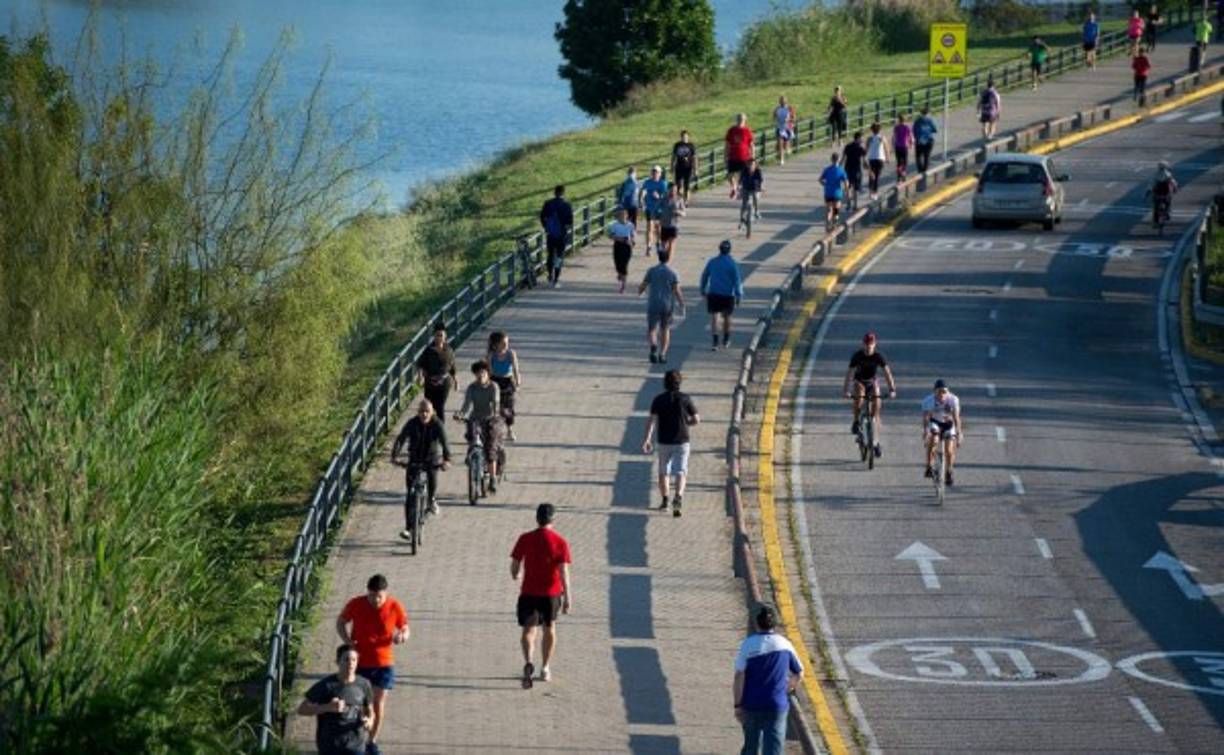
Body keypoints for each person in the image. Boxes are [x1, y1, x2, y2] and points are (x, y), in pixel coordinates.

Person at [335, 574, 408, 755]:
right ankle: (356, 739)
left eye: (380, 596)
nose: (376, 600)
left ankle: (372, 742)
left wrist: (402, 636)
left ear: (386, 593)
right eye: (372, 595)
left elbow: (405, 627)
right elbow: (341, 622)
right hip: (359, 663)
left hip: (384, 664)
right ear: (367, 592)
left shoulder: (394, 605)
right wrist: (348, 642)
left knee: (377, 704)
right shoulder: (356, 604)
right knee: (357, 704)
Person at [510, 503, 572, 689]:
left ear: (537, 519)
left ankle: (529, 660)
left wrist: (516, 574)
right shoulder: (560, 542)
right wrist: (568, 597)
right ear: (553, 520)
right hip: (551, 593)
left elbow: (515, 564)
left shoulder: (525, 538)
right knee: (549, 629)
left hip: (529, 592)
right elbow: (564, 573)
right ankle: (545, 667)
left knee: (528, 631)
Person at [733, 605, 804, 755]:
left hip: (751, 705)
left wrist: (738, 705)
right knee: (773, 750)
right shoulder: (784, 643)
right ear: (775, 624)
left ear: (756, 623)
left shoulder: (748, 645)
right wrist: (788, 687)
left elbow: (739, 676)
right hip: (776, 704)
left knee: (750, 747)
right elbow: (799, 672)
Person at [297, 644, 375, 755]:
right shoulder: (326, 685)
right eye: (346, 659)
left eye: (354, 660)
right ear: (337, 662)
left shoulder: (364, 684)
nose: (350, 663)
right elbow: (302, 709)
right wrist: (327, 707)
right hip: (331, 745)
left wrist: (369, 721)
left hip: (356, 744)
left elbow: (371, 711)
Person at [642, 369, 700, 516]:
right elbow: (697, 419)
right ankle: (678, 498)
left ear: (664, 383)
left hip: (664, 441)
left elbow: (652, 421)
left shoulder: (658, 399)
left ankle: (665, 501)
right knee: (681, 471)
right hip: (682, 440)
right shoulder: (686, 399)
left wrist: (647, 439)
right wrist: (687, 423)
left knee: (663, 472)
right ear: (679, 383)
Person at [391, 399, 451, 536]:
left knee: (432, 481)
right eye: (421, 412)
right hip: (415, 459)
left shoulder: (437, 424)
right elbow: (401, 438)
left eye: (427, 412)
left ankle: (431, 500)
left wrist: (447, 459)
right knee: (410, 495)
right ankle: (408, 528)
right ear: (417, 412)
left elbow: (445, 442)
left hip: (431, 459)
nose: (424, 414)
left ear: (432, 412)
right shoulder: (412, 423)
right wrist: (395, 456)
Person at [842, 331, 897, 458]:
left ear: (875, 344)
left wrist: (892, 389)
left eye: (871, 344)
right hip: (859, 381)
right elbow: (849, 374)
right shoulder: (857, 356)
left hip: (872, 382)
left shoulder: (879, 356)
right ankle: (856, 421)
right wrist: (846, 390)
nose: (869, 347)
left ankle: (876, 442)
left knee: (876, 408)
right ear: (863, 344)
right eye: (867, 344)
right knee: (859, 395)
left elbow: (887, 373)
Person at [453, 360, 504, 492]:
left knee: (490, 447)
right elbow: (467, 404)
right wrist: (461, 414)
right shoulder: (471, 388)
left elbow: (495, 402)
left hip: (491, 418)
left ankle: (492, 478)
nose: (480, 376)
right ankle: (472, 454)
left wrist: (494, 412)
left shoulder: (494, 387)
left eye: (483, 373)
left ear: (488, 374)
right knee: (472, 435)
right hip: (476, 418)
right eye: (477, 373)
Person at [638, 246, 685, 364]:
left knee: (652, 329)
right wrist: (682, 304)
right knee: (665, 329)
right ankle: (663, 354)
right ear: (668, 258)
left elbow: (643, 285)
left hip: (653, 304)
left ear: (658, 257)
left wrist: (640, 291)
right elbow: (677, 290)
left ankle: (653, 346)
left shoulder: (651, 270)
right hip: (667, 305)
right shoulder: (673, 272)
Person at [699, 239, 744, 351]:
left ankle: (715, 342)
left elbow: (704, 276)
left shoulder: (712, 262)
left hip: (714, 293)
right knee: (727, 316)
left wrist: (702, 289)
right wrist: (739, 295)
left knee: (715, 316)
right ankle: (726, 339)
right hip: (728, 295)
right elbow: (737, 281)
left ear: (719, 249)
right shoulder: (733, 264)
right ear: (729, 250)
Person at [922, 379, 962, 486]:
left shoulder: (953, 400)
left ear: (948, 392)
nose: (941, 394)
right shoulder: (928, 401)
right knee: (934, 440)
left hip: (949, 424)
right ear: (934, 392)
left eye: (944, 392)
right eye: (939, 392)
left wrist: (959, 433)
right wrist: (926, 431)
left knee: (949, 450)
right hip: (935, 422)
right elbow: (926, 418)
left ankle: (949, 471)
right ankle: (929, 466)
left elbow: (956, 417)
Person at [487, 331, 523, 442]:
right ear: (495, 345)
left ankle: (510, 429)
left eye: (507, 342)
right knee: (496, 408)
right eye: (503, 343)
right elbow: (489, 372)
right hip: (496, 381)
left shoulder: (511, 353)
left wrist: (518, 381)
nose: (506, 345)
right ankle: (494, 431)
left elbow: (516, 369)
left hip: (508, 382)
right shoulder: (491, 356)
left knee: (509, 407)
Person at [416, 323, 456, 422]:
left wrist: (456, 380)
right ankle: (430, 427)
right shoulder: (429, 350)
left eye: (441, 335)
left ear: (445, 337)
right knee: (429, 406)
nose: (439, 338)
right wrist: (420, 376)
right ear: (434, 336)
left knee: (440, 406)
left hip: (444, 383)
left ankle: (441, 429)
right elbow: (421, 364)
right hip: (430, 382)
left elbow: (452, 367)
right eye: (437, 335)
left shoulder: (449, 350)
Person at [538, 184, 573, 288]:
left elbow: (542, 217)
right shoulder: (567, 205)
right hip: (561, 234)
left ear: (555, 192)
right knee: (559, 256)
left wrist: (546, 228)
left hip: (551, 234)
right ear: (563, 192)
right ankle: (556, 278)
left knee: (550, 254)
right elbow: (570, 221)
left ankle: (549, 274)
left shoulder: (548, 203)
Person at [640, 165, 669, 256]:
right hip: (650, 208)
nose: (654, 174)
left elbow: (666, 197)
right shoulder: (647, 182)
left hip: (659, 210)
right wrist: (642, 198)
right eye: (653, 172)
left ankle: (659, 243)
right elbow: (644, 191)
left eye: (656, 172)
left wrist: (659, 196)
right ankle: (649, 247)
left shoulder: (663, 183)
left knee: (658, 229)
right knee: (649, 227)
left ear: (660, 174)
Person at [725, 113, 755, 198]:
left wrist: (752, 157)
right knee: (730, 175)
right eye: (738, 119)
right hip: (732, 156)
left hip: (744, 157)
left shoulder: (747, 131)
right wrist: (725, 155)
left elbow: (752, 145)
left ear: (745, 120)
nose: (740, 121)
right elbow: (727, 144)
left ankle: (740, 189)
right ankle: (734, 188)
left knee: (743, 175)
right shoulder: (731, 130)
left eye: (742, 119)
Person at [608, 207, 637, 293]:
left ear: (627, 216)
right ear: (617, 216)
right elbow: (611, 236)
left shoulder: (630, 225)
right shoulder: (615, 225)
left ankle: (623, 286)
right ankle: (620, 273)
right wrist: (619, 239)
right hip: (618, 245)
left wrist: (633, 241)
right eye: (620, 215)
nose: (622, 216)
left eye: (624, 215)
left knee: (624, 265)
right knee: (618, 264)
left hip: (627, 246)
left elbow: (632, 235)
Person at [819, 152, 849, 229]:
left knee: (829, 210)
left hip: (828, 193)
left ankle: (827, 224)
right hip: (837, 193)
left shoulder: (827, 169)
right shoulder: (841, 170)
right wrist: (846, 192)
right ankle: (834, 222)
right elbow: (846, 183)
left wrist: (825, 184)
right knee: (836, 209)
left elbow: (820, 180)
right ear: (838, 160)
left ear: (831, 160)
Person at [657, 183, 685, 257]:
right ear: (668, 190)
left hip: (674, 225)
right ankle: (664, 258)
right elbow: (657, 209)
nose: (673, 191)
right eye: (671, 190)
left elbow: (684, 213)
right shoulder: (663, 199)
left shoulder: (679, 199)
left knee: (672, 244)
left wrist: (678, 212)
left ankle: (668, 260)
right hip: (664, 225)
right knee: (664, 245)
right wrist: (658, 217)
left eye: (675, 190)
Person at [670, 130, 698, 203]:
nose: (684, 138)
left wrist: (695, 169)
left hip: (688, 168)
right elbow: (673, 157)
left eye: (686, 137)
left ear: (688, 137)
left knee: (687, 185)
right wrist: (672, 167)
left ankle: (686, 200)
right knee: (678, 185)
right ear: (681, 137)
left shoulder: (691, 146)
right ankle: (680, 199)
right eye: (683, 137)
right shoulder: (677, 145)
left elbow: (694, 158)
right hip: (679, 167)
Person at [841, 130, 867, 207]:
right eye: (861, 138)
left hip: (847, 169)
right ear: (858, 138)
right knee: (855, 188)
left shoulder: (847, 146)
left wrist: (838, 167)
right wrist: (869, 170)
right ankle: (855, 205)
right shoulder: (861, 148)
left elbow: (843, 158)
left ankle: (848, 202)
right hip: (856, 170)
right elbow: (864, 161)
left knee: (848, 186)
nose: (862, 140)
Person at [1147, 160, 1178, 224]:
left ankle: (1156, 220)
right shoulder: (1168, 174)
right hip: (1166, 193)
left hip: (1157, 193)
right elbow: (1173, 182)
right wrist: (1175, 188)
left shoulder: (1155, 174)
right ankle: (1167, 212)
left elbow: (1151, 183)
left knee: (1155, 206)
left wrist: (1148, 191)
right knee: (1168, 202)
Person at [738, 157, 765, 227]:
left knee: (755, 197)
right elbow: (740, 181)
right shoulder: (744, 171)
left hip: (755, 188)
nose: (751, 166)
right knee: (744, 204)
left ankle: (756, 211)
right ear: (747, 165)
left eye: (752, 164)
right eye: (749, 164)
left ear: (755, 165)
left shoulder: (758, 171)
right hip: (746, 188)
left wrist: (761, 187)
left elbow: (761, 181)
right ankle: (741, 219)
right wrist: (739, 187)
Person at [865, 122, 888, 200]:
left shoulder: (869, 138)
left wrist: (864, 158)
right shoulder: (882, 137)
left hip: (871, 159)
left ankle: (870, 192)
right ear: (879, 129)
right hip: (880, 159)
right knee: (877, 176)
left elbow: (866, 149)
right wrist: (887, 157)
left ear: (872, 130)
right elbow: (886, 148)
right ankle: (875, 193)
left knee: (871, 176)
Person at [912, 107, 938, 173]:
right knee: (927, 156)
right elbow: (935, 130)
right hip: (929, 140)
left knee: (918, 156)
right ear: (928, 113)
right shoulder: (930, 120)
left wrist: (916, 137)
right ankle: (925, 171)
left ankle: (920, 170)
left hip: (919, 141)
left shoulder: (917, 121)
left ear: (921, 113)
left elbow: (914, 131)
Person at [774, 95, 795, 165]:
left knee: (785, 146)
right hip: (780, 128)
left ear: (786, 101)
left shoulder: (789, 108)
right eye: (781, 101)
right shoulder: (777, 109)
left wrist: (788, 119)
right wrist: (776, 118)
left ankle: (788, 148)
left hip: (787, 128)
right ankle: (781, 159)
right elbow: (774, 116)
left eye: (783, 101)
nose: (782, 102)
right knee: (780, 143)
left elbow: (794, 118)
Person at [892, 113, 913, 181]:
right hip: (904, 146)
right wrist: (911, 144)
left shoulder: (896, 127)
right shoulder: (907, 127)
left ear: (899, 120)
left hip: (897, 146)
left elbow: (894, 137)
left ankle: (899, 176)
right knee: (905, 161)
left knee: (898, 162)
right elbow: (910, 137)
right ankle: (903, 172)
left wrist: (893, 146)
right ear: (905, 120)